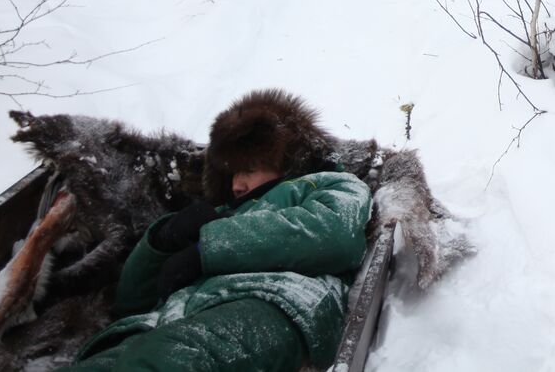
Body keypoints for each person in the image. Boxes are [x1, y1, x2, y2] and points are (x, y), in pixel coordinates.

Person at [63, 89, 372, 372]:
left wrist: (207, 250)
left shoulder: (331, 184)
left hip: (278, 303)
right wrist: (161, 240)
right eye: (232, 172)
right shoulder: (220, 215)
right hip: (170, 320)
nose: (237, 183)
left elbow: (335, 234)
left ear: (287, 161)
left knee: (167, 358)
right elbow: (130, 302)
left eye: (248, 169)